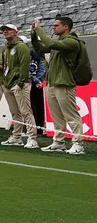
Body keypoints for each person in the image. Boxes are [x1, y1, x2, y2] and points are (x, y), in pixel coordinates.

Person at [31, 16, 86, 154]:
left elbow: (49, 43)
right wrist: (34, 34)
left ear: (66, 27)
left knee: (71, 115)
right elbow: (38, 48)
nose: (53, 28)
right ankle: (59, 142)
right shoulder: (58, 43)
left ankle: (78, 144)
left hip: (64, 83)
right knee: (56, 116)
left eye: (56, 25)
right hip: (52, 83)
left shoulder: (72, 42)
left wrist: (39, 29)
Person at [0, 25, 35, 148]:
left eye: (8, 30)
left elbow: (25, 66)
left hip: (20, 83)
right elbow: (4, 66)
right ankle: (16, 136)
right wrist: (4, 81)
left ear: (15, 32)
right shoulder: (5, 48)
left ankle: (32, 138)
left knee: (26, 112)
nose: (5, 31)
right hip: (8, 83)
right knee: (15, 113)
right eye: (4, 30)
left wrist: (20, 83)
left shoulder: (21, 46)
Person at [28, 43, 47, 137]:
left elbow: (28, 71)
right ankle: (39, 129)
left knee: (33, 107)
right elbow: (42, 70)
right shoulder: (40, 56)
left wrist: (36, 81)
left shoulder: (30, 56)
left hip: (32, 83)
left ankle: (36, 129)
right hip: (37, 84)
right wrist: (39, 81)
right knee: (38, 106)